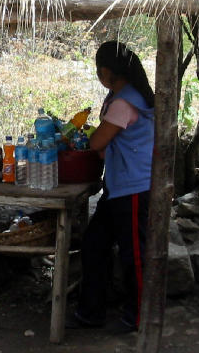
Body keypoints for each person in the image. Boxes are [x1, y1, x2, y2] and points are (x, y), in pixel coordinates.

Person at [67, 41, 155, 333]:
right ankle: (91, 311)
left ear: (107, 71)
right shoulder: (121, 95)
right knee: (94, 244)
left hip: (132, 187)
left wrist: (84, 135)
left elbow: (97, 142)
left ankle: (139, 315)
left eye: (98, 69)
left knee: (134, 254)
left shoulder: (124, 102)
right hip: (118, 186)